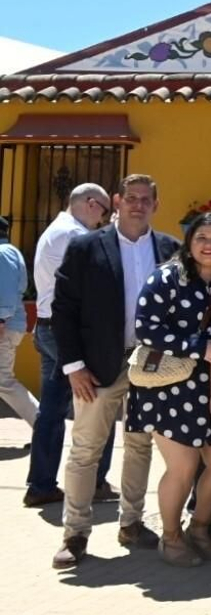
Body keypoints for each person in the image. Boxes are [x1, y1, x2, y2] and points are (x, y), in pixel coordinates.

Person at [50, 174, 180, 569]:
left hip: (151, 365)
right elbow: (64, 308)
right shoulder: (87, 246)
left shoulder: (170, 249)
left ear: (156, 204)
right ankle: (74, 533)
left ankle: (132, 523)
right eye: (132, 198)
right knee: (86, 449)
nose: (138, 205)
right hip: (97, 366)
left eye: (146, 199)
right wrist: (74, 366)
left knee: (139, 446)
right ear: (118, 202)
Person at [126, 212, 211, 567]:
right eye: (201, 237)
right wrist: (197, 347)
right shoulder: (167, 277)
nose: (208, 244)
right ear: (189, 242)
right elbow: (145, 329)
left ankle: (199, 529)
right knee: (184, 466)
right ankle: (170, 538)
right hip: (168, 387)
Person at [25, 184, 115, 508]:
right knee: (101, 403)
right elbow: (91, 288)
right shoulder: (75, 236)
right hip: (70, 333)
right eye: (104, 212)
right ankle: (95, 481)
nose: (103, 221)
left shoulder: (56, 229)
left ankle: (41, 484)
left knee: (51, 410)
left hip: (49, 328)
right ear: (92, 204)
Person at [0, 217, 38, 434]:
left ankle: (43, 427)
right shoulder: (9, 251)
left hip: (4, 326)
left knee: (4, 381)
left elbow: (5, 292)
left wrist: (0, 319)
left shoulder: (2, 254)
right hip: (9, 323)